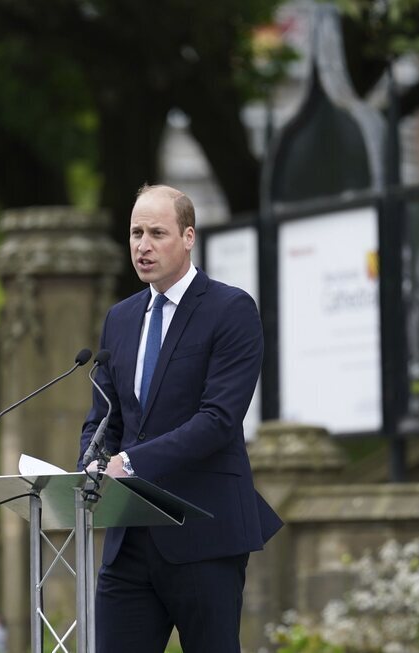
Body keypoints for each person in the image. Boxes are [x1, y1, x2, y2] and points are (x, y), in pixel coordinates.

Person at [79, 184, 283, 653]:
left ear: (188, 237)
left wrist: (131, 462)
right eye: (135, 233)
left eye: (156, 233)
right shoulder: (120, 318)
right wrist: (91, 461)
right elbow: (103, 417)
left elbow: (219, 419)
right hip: (129, 541)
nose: (142, 245)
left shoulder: (231, 310)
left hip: (204, 534)